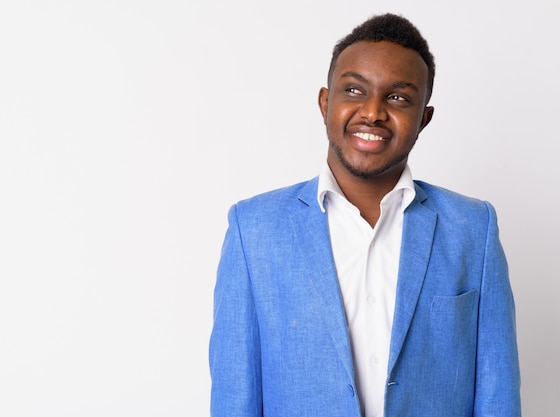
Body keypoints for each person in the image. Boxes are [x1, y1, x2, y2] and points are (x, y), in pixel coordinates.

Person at [209, 13, 521, 417]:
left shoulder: (472, 229)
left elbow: (498, 393)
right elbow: (236, 395)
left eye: (398, 97)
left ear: (423, 118)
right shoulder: (253, 230)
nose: (372, 112)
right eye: (354, 90)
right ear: (326, 103)